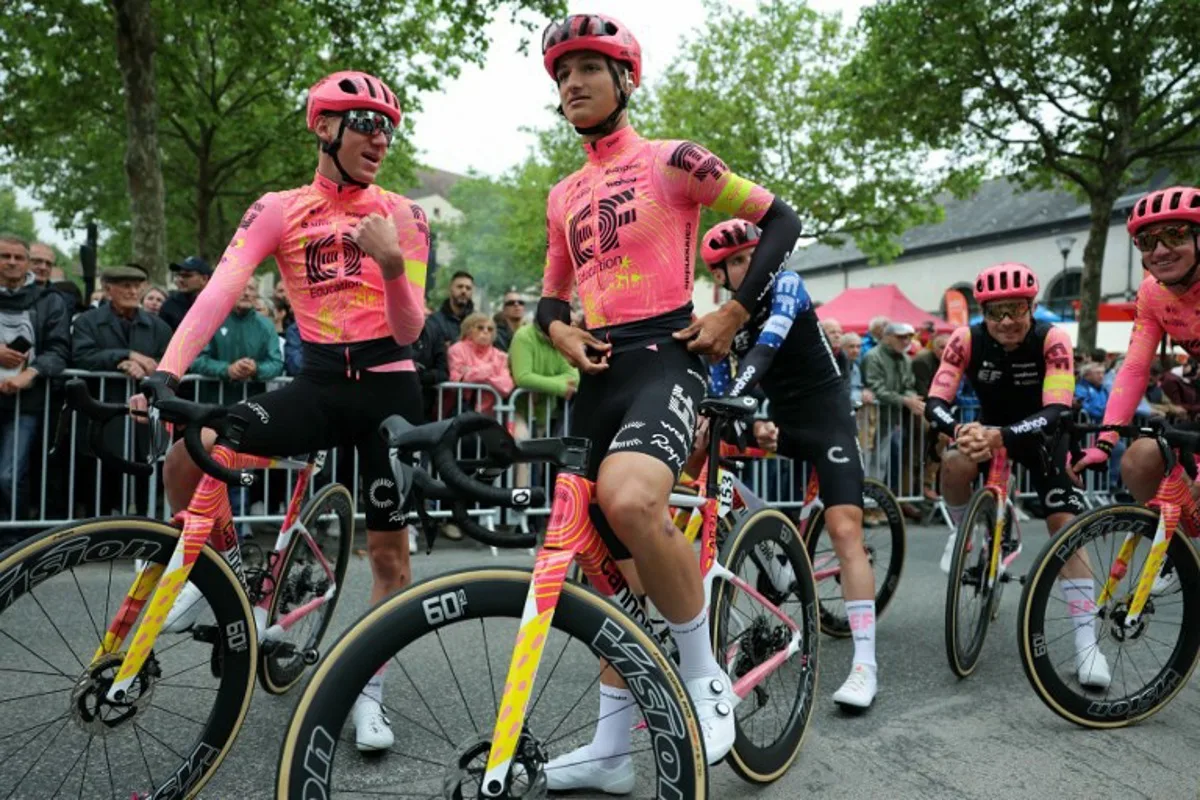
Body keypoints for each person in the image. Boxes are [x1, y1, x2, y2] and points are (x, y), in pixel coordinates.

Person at [535, 14, 803, 791]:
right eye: (562, 74)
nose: (573, 84)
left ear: (625, 79)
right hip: (598, 370)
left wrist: (732, 312)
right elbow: (551, 301)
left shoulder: (673, 161)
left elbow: (780, 218)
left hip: (666, 357)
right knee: (598, 564)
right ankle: (612, 751)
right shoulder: (562, 195)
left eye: (589, 68)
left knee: (629, 500)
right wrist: (560, 337)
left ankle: (702, 674)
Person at [133, 70, 429, 752]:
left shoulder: (403, 216)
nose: (380, 138)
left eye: (389, 128)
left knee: (390, 557)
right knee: (190, 453)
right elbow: (218, 293)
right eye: (366, 124)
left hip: (389, 391)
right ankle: (228, 579)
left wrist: (389, 267)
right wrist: (169, 370)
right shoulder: (279, 207)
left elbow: (411, 330)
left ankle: (368, 697)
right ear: (325, 128)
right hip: (319, 384)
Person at [698, 219, 879, 709]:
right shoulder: (723, 320)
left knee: (844, 529)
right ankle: (772, 558)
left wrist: (739, 402)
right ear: (720, 276)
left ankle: (866, 664)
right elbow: (720, 383)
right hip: (777, 422)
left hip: (825, 419)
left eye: (752, 256)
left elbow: (765, 351)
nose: (747, 266)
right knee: (709, 460)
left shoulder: (788, 285)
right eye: (735, 262)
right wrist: (741, 415)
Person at [926, 262, 1109, 688]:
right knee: (954, 462)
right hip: (990, 433)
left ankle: (1087, 644)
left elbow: (1058, 407)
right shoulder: (965, 338)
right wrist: (960, 430)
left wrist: (1000, 434)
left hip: (1044, 436)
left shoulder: (1053, 338)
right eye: (995, 313)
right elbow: (936, 398)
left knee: (1064, 528)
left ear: (1032, 307)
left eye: (1016, 311)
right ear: (983, 313)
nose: (1006, 321)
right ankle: (964, 533)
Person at [1071, 186, 1200, 598]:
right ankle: (1176, 550)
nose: (1160, 250)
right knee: (1139, 459)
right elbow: (1134, 367)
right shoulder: (1151, 292)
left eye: (1176, 234)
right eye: (1147, 241)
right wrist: (1106, 440)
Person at [0, 234, 70, 527]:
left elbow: (60, 349)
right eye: (5, 256)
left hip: (25, 404)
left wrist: (31, 373)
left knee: (9, 474)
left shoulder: (50, 300)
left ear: (27, 262)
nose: (12, 262)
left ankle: (12, 541)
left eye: (18, 257)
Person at [446, 312, 514, 415]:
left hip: (491, 414)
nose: (486, 332)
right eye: (480, 328)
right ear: (469, 330)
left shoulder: (500, 355)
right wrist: (492, 371)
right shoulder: (456, 350)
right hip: (462, 411)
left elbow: (506, 387)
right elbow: (456, 380)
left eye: (490, 329)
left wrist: (473, 372)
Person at [159, 255, 212, 329]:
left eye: (187, 275)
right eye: (178, 275)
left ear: (204, 279)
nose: (180, 279)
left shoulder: (219, 304)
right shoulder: (170, 305)